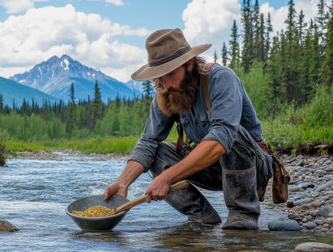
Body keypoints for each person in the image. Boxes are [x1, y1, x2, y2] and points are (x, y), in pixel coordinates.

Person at [103, 28, 273, 230]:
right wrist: (123, 182)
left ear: (190, 64)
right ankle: (203, 218)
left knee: (229, 132)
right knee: (155, 152)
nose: (165, 85)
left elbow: (220, 141)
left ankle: (242, 217)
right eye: (159, 77)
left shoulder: (221, 78)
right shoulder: (166, 92)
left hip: (253, 168)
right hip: (211, 170)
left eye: (170, 74)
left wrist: (167, 177)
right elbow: (148, 141)